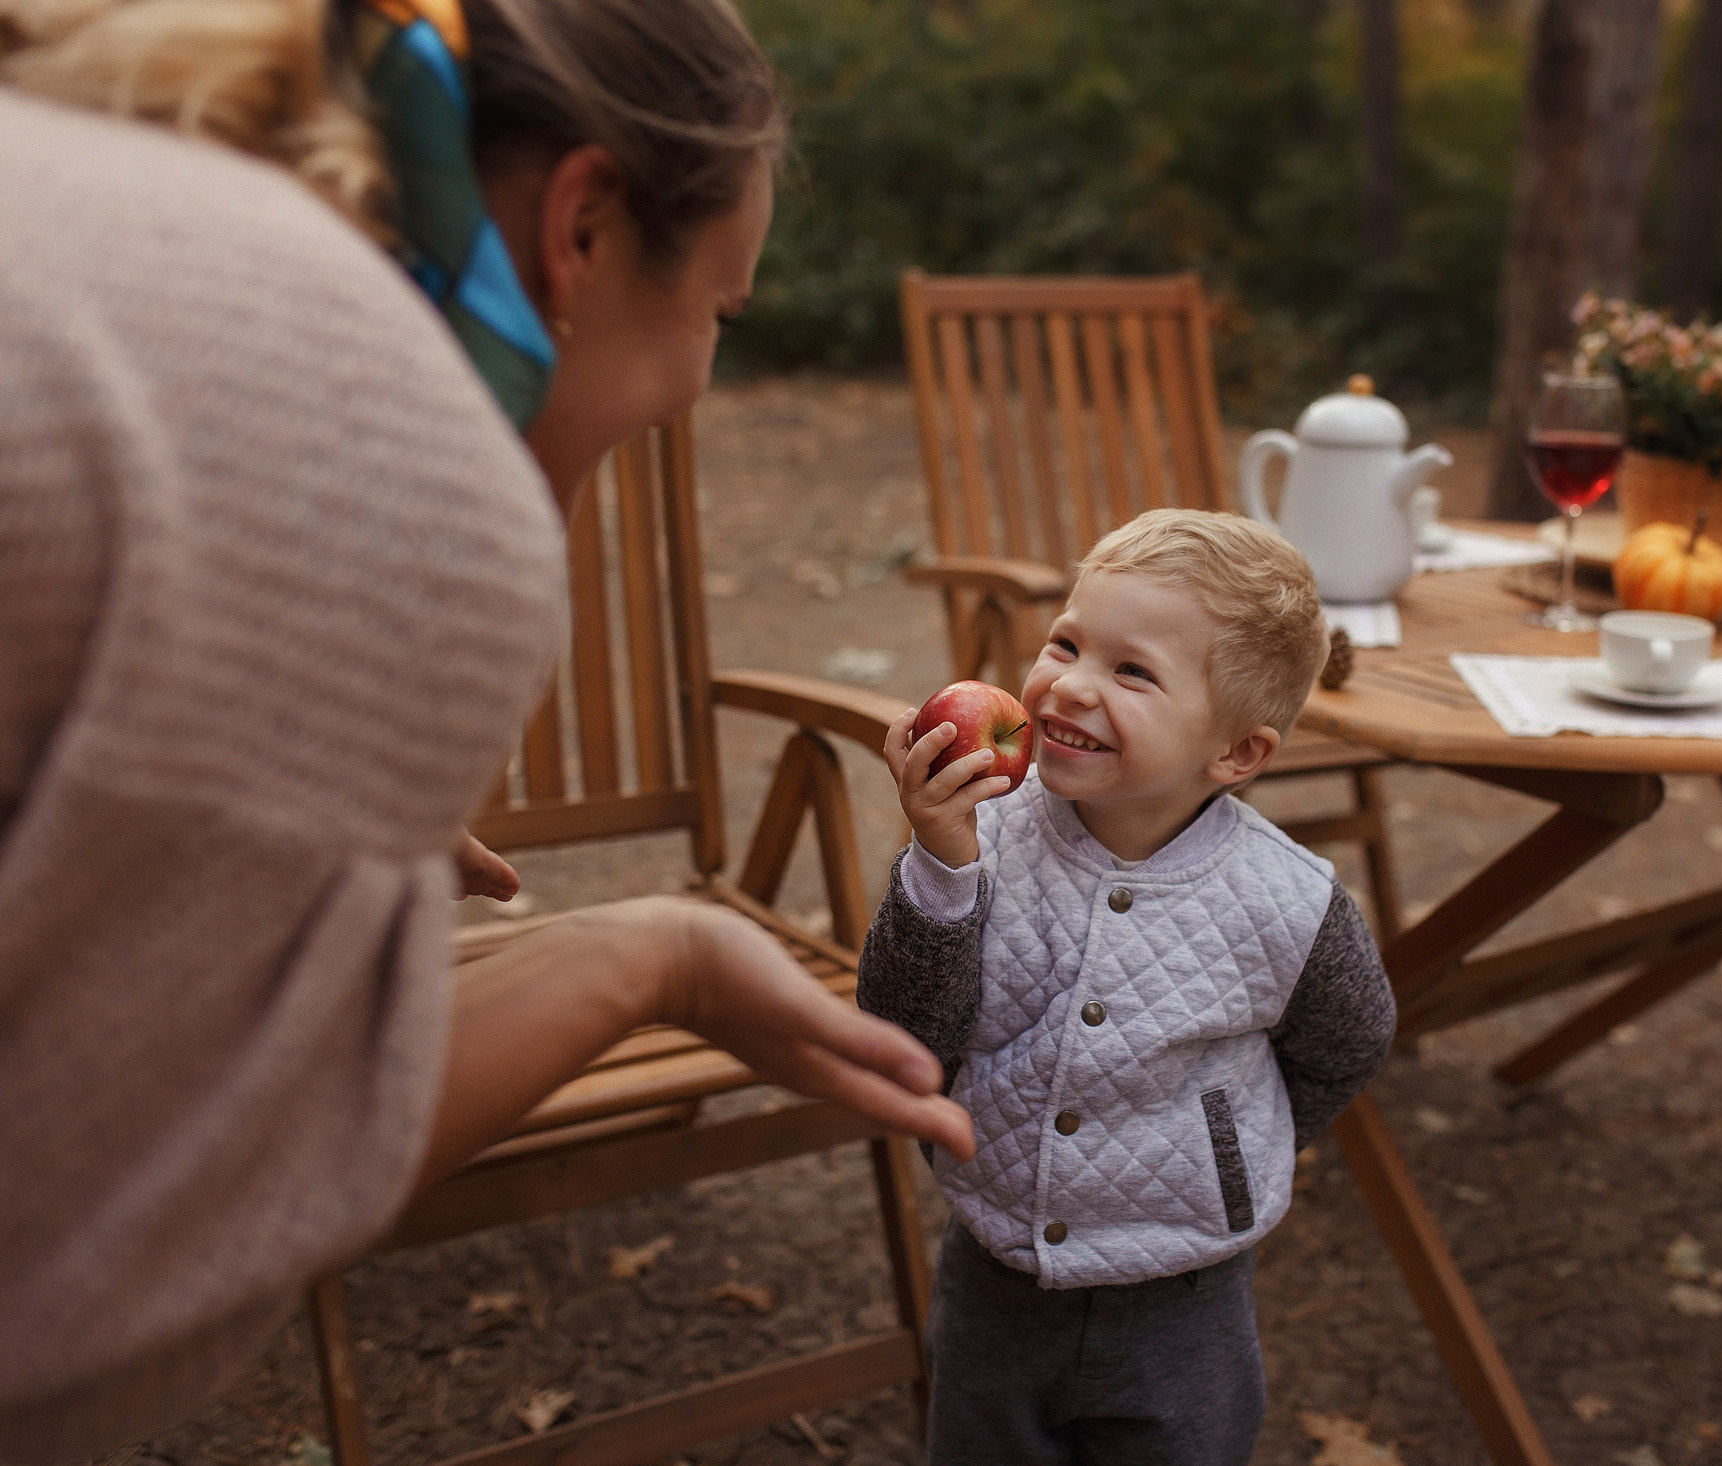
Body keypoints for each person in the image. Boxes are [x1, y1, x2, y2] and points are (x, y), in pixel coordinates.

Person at [0, 1, 969, 1460]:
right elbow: (92, 1267)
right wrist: (645, 953)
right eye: (718, 311)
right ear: (582, 224)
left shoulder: (104, 203)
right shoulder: (386, 462)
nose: (699, 379)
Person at [857, 509, 1398, 1464]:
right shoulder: (978, 830)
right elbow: (904, 1037)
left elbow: (1347, 1039)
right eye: (1066, 642)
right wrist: (939, 872)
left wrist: (1229, 1138)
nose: (1068, 683)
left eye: (1132, 671)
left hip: (1183, 1295)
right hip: (995, 1275)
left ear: (1236, 754)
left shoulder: (1286, 901)